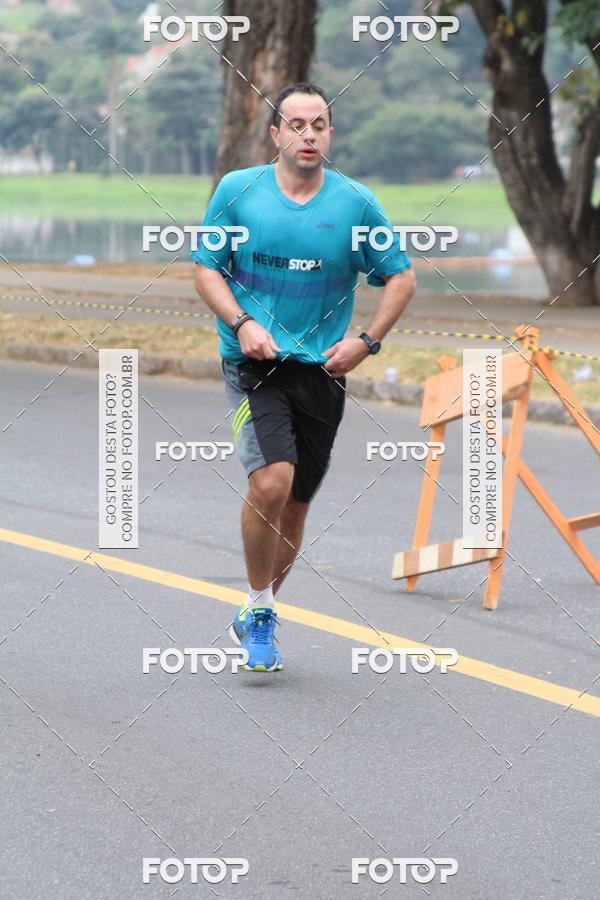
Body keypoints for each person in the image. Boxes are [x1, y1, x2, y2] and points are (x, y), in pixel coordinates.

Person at [192, 82, 416, 671]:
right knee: (271, 481)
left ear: (330, 135)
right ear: (275, 134)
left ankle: (256, 606)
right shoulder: (238, 193)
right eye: (295, 124)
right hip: (254, 365)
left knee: (294, 504)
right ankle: (263, 611)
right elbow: (206, 270)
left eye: (318, 124)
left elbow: (401, 277)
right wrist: (241, 323)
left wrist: (367, 343)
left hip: (323, 370)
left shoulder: (354, 204)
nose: (307, 134)